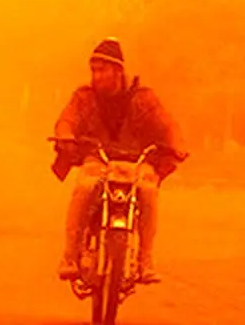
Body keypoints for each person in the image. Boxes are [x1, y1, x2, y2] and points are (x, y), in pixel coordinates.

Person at [51, 37, 184, 285]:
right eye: (93, 70)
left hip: (137, 163)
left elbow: (168, 125)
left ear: (118, 71)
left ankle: (145, 261)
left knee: (148, 191)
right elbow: (67, 120)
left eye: (102, 70)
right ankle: (69, 257)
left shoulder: (144, 98)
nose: (96, 76)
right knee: (84, 187)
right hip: (97, 159)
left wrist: (177, 144)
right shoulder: (84, 97)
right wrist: (65, 136)